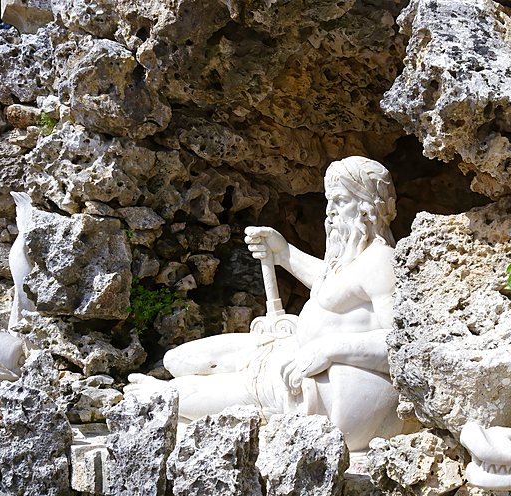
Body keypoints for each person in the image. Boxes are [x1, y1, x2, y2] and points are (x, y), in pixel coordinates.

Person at [127, 156, 403, 451]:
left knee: (175, 395)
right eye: (328, 201)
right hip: (284, 350)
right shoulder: (348, 257)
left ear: (367, 208)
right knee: (177, 360)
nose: (330, 212)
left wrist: (328, 350)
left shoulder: (381, 262)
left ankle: (167, 402)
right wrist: (284, 254)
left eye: (340, 201)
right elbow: (328, 288)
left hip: (298, 384)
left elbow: (400, 344)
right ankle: (176, 404)